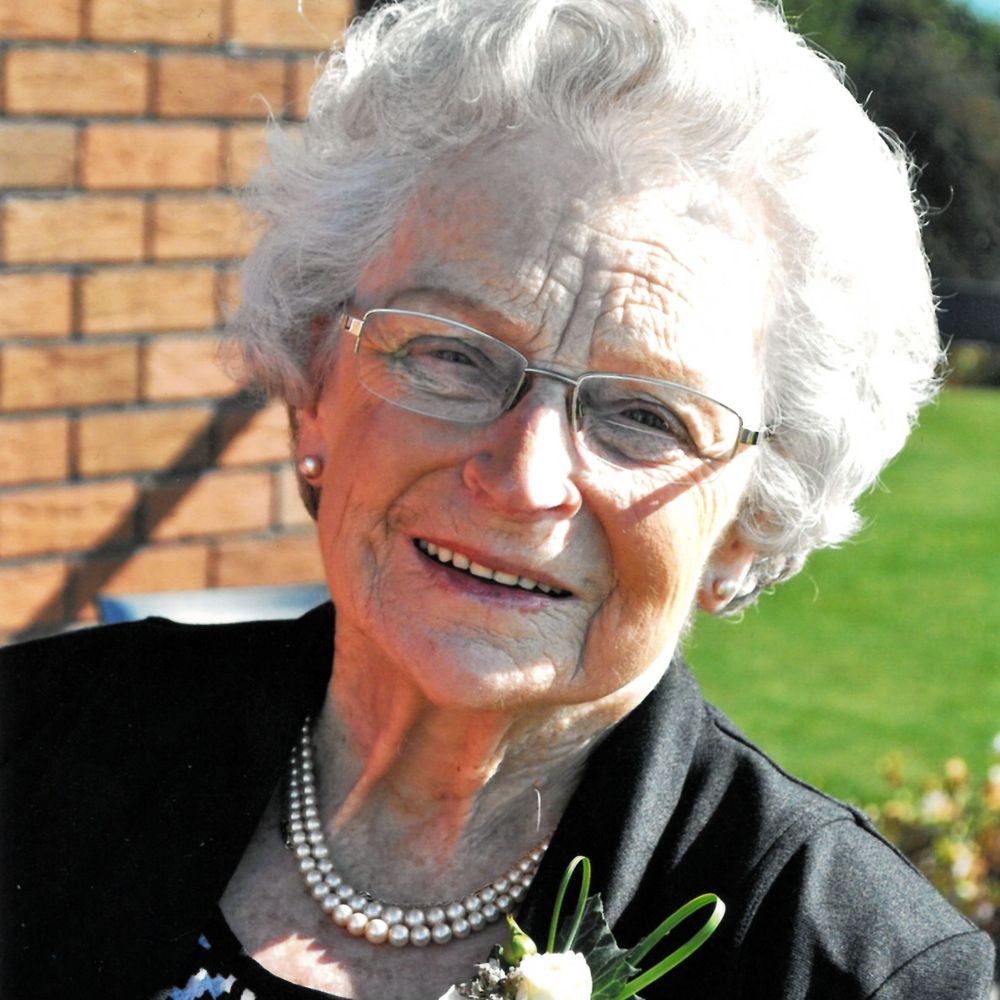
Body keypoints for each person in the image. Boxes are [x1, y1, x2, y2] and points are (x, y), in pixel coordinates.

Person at [1, 0, 994, 997]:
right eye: (453, 355)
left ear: (748, 523)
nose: (523, 477)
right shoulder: (32, 738)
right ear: (312, 387)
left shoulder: (855, 971)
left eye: (644, 414)